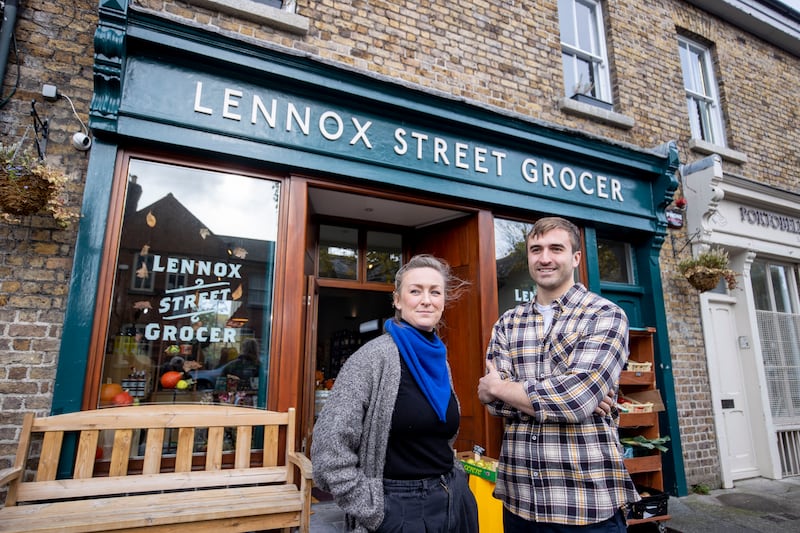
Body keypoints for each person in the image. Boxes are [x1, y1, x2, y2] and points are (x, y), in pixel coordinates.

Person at [478, 217, 639, 532]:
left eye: (556, 248)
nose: (545, 258)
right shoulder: (508, 323)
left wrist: (503, 388)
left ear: (576, 258)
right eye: (536, 249)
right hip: (520, 503)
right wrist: (573, 395)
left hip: (585, 504)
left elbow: (573, 400)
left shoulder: (605, 315)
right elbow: (490, 402)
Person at [311, 254, 478, 533]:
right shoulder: (372, 359)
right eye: (416, 291)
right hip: (400, 509)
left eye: (435, 292)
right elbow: (329, 450)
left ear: (443, 301)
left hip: (454, 501)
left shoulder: (439, 361)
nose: (426, 299)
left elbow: (440, 434)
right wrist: (375, 512)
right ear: (398, 301)